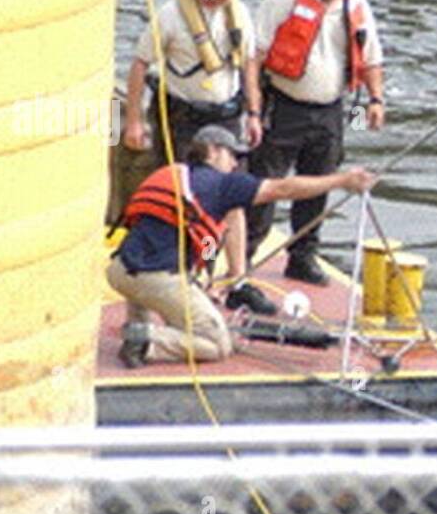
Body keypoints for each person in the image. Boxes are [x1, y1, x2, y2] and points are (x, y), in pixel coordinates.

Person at [107, 125, 375, 368]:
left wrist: (207, 279)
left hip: (120, 271)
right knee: (217, 343)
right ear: (212, 151)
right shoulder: (223, 185)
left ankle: (138, 324)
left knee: (162, 291)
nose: (235, 163)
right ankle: (146, 341)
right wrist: (341, 181)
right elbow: (283, 189)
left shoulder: (174, 175)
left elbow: (200, 240)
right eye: (232, 155)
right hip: (156, 279)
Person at [246, 0, 386, 285]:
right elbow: (254, 56)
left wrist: (376, 99)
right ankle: (245, 254)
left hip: (329, 111)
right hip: (284, 104)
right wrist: (252, 109)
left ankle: (303, 256)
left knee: (318, 183)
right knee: (266, 183)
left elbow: (370, 59)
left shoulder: (357, 7)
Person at [111, 0, 264, 218]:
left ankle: (215, 254)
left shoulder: (238, 14)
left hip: (226, 114)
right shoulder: (171, 15)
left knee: (230, 192)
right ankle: (180, 251)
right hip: (182, 118)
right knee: (182, 191)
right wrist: (134, 120)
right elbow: (140, 63)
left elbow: (249, 62)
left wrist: (254, 113)